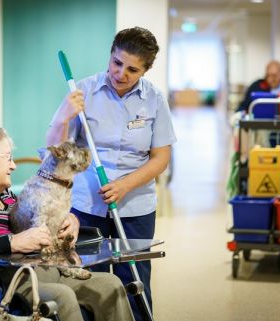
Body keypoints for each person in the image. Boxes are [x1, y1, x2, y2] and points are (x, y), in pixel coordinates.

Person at [0, 124, 135, 321]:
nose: (14, 165)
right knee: (61, 296)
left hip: (40, 268)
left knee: (110, 284)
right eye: (8, 158)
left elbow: (34, 224)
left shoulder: (2, 194)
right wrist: (14, 242)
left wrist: (69, 220)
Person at [46, 27, 177, 321]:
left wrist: (125, 185)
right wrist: (62, 116)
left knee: (133, 279)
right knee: (87, 281)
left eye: (132, 69)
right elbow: (56, 148)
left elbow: (161, 158)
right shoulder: (83, 91)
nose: (121, 73)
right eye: (117, 63)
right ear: (111, 55)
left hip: (135, 209)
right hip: (86, 207)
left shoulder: (154, 100)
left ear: (145, 70)